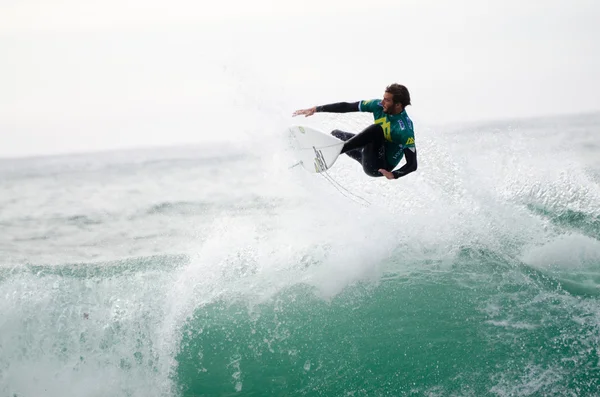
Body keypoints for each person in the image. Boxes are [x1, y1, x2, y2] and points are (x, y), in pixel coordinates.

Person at [292, 84, 417, 180]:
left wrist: (394, 175)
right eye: (383, 98)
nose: (382, 102)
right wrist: (316, 109)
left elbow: (412, 164)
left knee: (376, 130)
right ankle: (327, 150)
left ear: (398, 105)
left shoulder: (405, 130)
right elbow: (347, 106)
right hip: (366, 153)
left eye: (387, 100)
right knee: (336, 135)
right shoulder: (378, 105)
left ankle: (331, 151)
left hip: (378, 166)